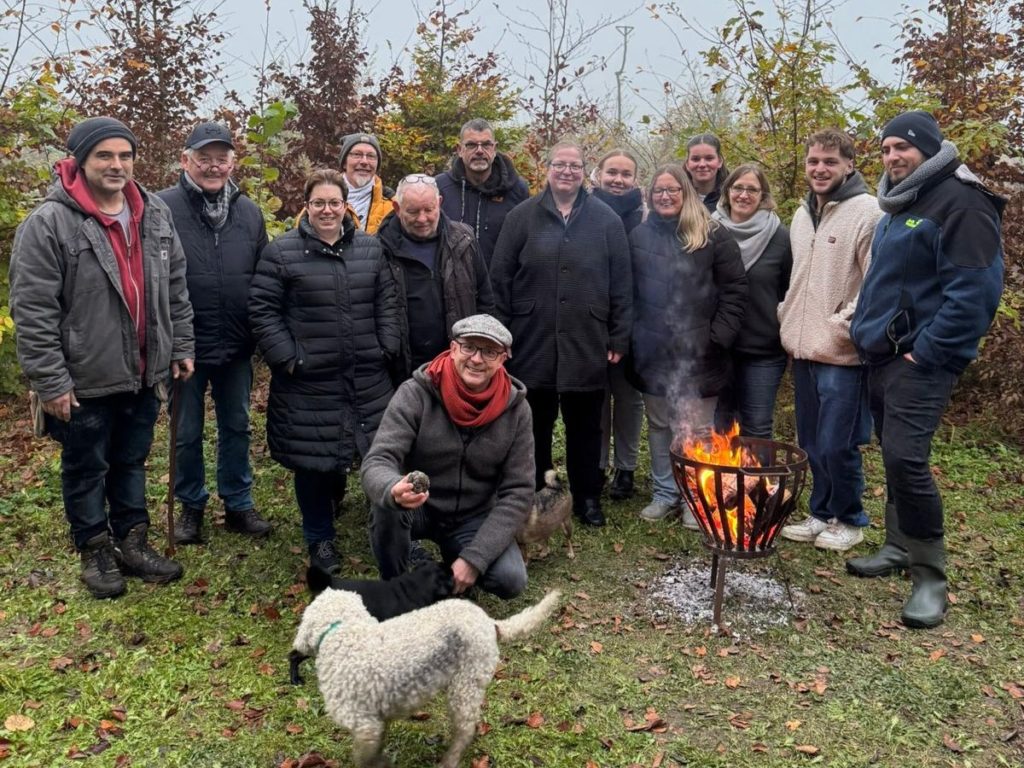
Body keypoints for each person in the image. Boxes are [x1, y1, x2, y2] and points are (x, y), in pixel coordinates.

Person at [9, 116, 194, 598]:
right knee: (87, 465)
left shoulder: (154, 213)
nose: (117, 165)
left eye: (125, 155)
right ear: (80, 161)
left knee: (131, 460)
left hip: (144, 369)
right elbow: (32, 309)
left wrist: (180, 346)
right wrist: (51, 381)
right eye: (105, 156)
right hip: (84, 375)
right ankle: (94, 548)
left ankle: (132, 542)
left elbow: (175, 286)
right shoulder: (49, 223)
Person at [849, 111, 1004, 628]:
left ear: (929, 148)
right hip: (883, 355)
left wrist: (928, 352)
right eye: (887, 148)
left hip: (920, 362)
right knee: (892, 456)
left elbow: (976, 294)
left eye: (903, 147)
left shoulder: (962, 202)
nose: (893, 157)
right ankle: (896, 547)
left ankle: (930, 576)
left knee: (906, 458)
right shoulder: (902, 201)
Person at [249, 169, 400, 575]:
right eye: (319, 203)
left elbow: (387, 300)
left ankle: (390, 534)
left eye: (334, 202)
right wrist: (288, 357)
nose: (327, 210)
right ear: (307, 206)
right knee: (313, 462)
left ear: (345, 205)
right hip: (309, 380)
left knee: (378, 455)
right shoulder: (282, 252)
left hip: (367, 374)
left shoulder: (370, 248)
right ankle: (320, 540)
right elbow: (263, 311)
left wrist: (387, 344)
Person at [490, 140, 632, 528]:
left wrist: (619, 335)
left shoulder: (605, 221)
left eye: (574, 166)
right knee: (533, 422)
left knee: (585, 425)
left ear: (585, 173)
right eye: (560, 165)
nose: (566, 171)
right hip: (530, 337)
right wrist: (502, 337)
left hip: (587, 338)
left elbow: (622, 282)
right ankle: (535, 491)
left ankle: (587, 497)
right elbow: (500, 279)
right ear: (547, 169)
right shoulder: (522, 217)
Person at [362, 314, 534, 599]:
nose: (476, 359)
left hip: (474, 514)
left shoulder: (517, 410)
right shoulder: (415, 394)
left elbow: (519, 492)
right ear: (453, 348)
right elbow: (377, 461)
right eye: (468, 347)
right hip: (420, 506)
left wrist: (474, 561)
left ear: (503, 359)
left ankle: (457, 566)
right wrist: (393, 489)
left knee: (510, 580)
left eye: (489, 351)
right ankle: (394, 585)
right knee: (386, 507)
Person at [157, 121, 272, 544]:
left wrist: (261, 333)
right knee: (186, 431)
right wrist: (167, 341)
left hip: (237, 342)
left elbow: (264, 276)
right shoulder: (161, 208)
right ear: (185, 160)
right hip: (184, 346)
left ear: (232, 162)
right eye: (203, 158)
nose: (212, 166)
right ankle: (191, 506)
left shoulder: (249, 211)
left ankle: (238, 504)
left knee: (237, 425)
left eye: (221, 158)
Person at [778, 129, 882, 552]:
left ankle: (851, 518)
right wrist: (787, 313)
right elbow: (796, 277)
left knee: (840, 443)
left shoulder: (869, 213)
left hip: (842, 353)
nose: (820, 169)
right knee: (812, 440)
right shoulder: (802, 215)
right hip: (803, 349)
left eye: (830, 162)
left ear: (850, 165)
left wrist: (842, 326)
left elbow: (875, 284)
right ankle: (821, 513)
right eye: (813, 161)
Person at [628, 164, 747, 523]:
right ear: (650, 196)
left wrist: (717, 337)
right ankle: (665, 493)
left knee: (697, 428)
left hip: (701, 353)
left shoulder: (713, 235)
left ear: (687, 193)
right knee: (661, 424)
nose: (665, 196)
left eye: (673, 190)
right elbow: (628, 292)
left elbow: (735, 290)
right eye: (658, 191)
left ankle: (696, 496)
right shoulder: (638, 236)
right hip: (652, 352)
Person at [376, 172, 495, 381]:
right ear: (396, 208)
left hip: (458, 365)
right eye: (412, 211)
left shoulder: (464, 240)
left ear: (439, 203)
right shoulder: (378, 249)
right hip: (401, 370)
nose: (422, 219)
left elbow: (485, 299)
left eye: (429, 210)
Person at [712, 163, 792, 439]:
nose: (743, 195)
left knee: (756, 426)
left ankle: (757, 483)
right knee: (721, 427)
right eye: (738, 188)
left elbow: (789, 292)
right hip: (718, 348)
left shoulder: (781, 238)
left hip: (764, 350)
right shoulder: (709, 231)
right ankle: (723, 484)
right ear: (727, 191)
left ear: (763, 196)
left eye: (752, 189)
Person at [592, 148, 646, 501]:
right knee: (597, 399)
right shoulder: (583, 212)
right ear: (597, 174)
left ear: (635, 180)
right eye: (612, 172)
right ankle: (596, 466)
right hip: (592, 321)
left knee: (628, 400)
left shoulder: (646, 217)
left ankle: (625, 468)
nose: (618, 180)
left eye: (626, 174)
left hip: (636, 322)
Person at [435, 118, 530, 267]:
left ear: (494, 148)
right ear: (459, 150)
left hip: (499, 286)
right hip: (450, 286)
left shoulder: (517, 190)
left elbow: (525, 245)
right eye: (471, 145)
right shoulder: (440, 187)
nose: (479, 151)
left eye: (486, 144)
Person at [339, 132, 394, 234]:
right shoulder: (321, 199)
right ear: (344, 163)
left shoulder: (392, 206)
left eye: (371, 156)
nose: (364, 162)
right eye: (357, 154)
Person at [685, 133, 729, 213]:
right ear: (687, 164)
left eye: (709, 158)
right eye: (695, 159)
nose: (702, 164)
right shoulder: (676, 196)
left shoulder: (732, 197)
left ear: (719, 162)